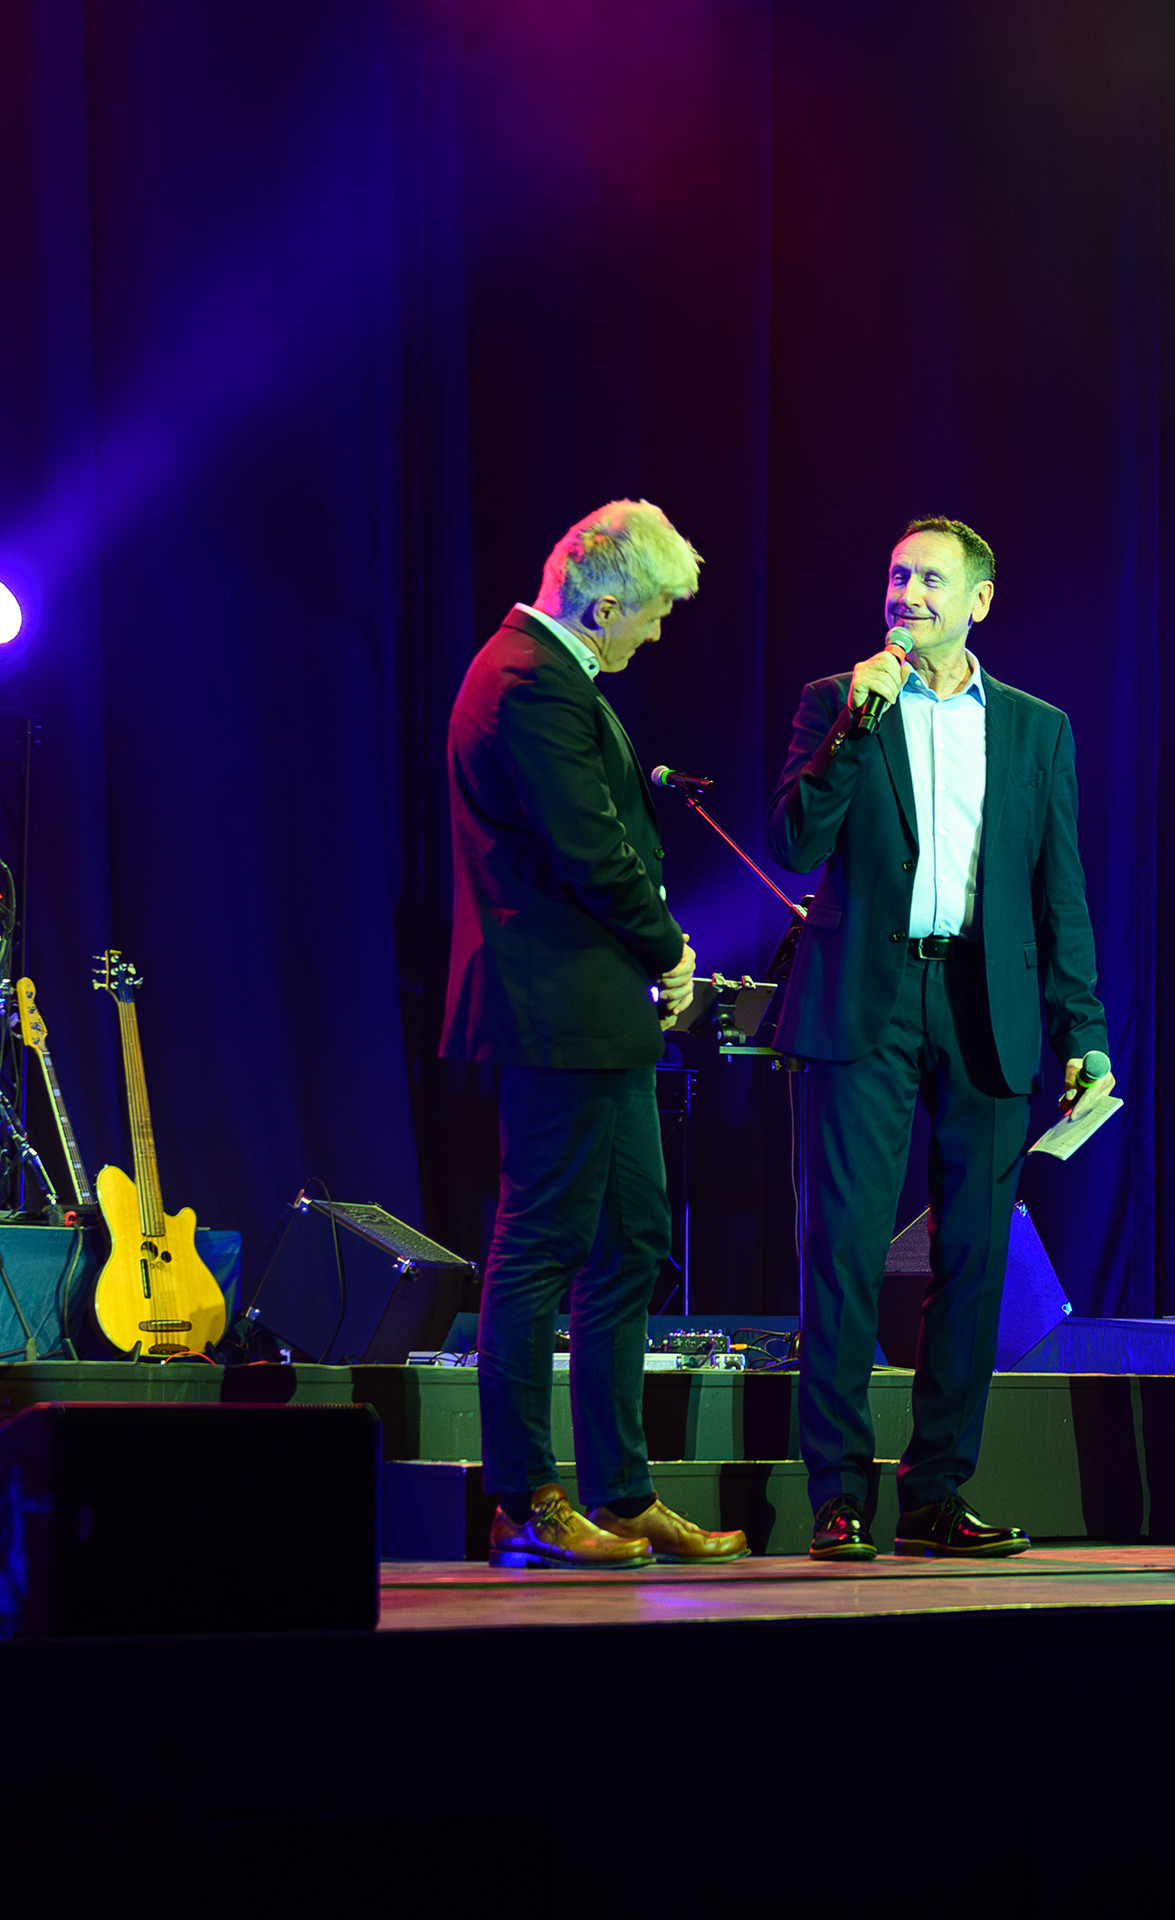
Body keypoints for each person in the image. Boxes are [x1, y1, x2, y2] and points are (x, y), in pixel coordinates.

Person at [767, 516, 1113, 1561]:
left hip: (984, 1003)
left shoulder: (1036, 728)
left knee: (972, 1256)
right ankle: (837, 1494)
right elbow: (795, 841)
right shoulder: (837, 701)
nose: (907, 596)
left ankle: (937, 1493)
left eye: (930, 580)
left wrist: (1084, 1030)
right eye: (897, 577)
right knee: (843, 1250)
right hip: (866, 1002)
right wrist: (853, 725)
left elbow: (1061, 893)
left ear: (980, 601)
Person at [444, 498, 749, 1570]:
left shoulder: (550, 673)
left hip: (596, 1017)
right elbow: (592, 849)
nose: (657, 634)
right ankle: (524, 1498)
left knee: (631, 1245)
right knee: (540, 1247)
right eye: (655, 613)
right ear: (606, 604)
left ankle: (622, 1493)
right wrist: (672, 951)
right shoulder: (529, 678)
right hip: (558, 1012)